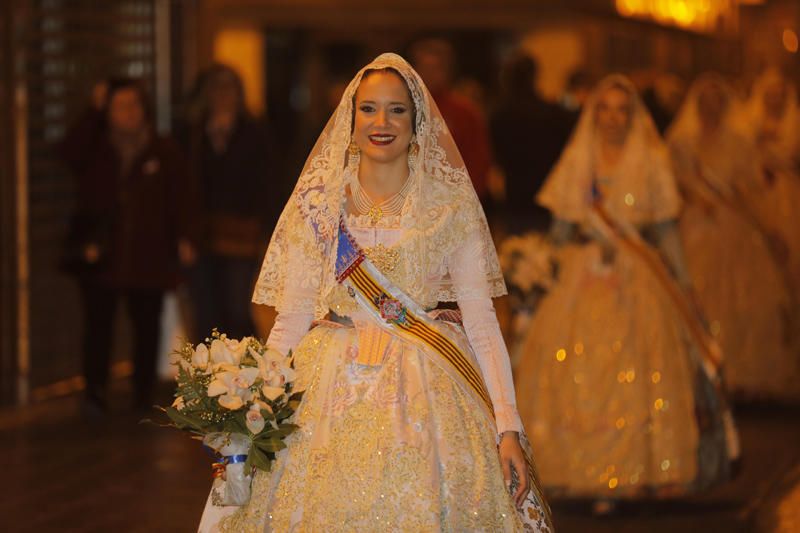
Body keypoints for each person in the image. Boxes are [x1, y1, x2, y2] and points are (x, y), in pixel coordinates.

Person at [198, 53, 552, 532]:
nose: (381, 122)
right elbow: (292, 317)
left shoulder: (450, 208)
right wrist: (252, 407)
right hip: (326, 387)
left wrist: (508, 426)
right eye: (368, 109)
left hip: (430, 388)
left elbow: (483, 322)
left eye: (397, 109)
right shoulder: (318, 208)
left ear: (417, 120)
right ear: (350, 117)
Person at [512, 75, 736, 512]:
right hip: (581, 277)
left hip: (637, 280)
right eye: (605, 109)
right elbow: (560, 231)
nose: (613, 118)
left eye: (622, 110)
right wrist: (538, 270)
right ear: (594, 114)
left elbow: (667, 232)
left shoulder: (651, 161)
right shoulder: (577, 161)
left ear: (632, 117)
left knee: (639, 369)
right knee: (574, 370)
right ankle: (577, 471)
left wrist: (685, 287)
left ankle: (636, 472)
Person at [59, 78, 197, 413]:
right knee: (98, 324)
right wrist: (92, 111)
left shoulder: (162, 150)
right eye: (119, 106)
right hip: (102, 254)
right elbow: (67, 152)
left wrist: (185, 237)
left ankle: (142, 392)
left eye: (134, 105)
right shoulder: (95, 147)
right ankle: (95, 391)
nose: (128, 113)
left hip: (148, 253)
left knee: (147, 324)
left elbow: (182, 196)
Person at [668, 74, 799, 402]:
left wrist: (771, 231)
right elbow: (668, 186)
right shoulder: (681, 142)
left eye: (717, 101)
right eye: (705, 101)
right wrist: (692, 200)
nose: (711, 108)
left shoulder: (738, 143)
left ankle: (736, 372)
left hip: (733, 229)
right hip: (695, 227)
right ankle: (696, 371)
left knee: (742, 298)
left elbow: (750, 194)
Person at [178, 64, 279, 342]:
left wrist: (267, 231)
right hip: (202, 235)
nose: (223, 96)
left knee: (236, 308)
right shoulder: (194, 134)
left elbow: (266, 183)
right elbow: (186, 185)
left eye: (229, 89)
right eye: (216, 89)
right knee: (205, 310)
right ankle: (207, 377)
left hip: (241, 234)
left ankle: (247, 369)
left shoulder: (255, 132)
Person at [490, 53, 572, 233]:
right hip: (547, 196)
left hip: (515, 197)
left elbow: (497, 157)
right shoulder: (553, 113)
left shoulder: (500, 116)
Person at [410, 38, 493, 203]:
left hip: (454, 201)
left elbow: (478, 160)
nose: (428, 75)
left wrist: (465, 200)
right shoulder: (403, 108)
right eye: (424, 68)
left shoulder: (464, 112)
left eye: (434, 68)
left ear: (446, 71)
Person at [742, 69, 800, 302]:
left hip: (785, 191)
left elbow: (790, 154)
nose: (775, 100)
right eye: (771, 94)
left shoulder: (793, 120)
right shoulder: (750, 121)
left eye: (779, 95)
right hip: (759, 191)